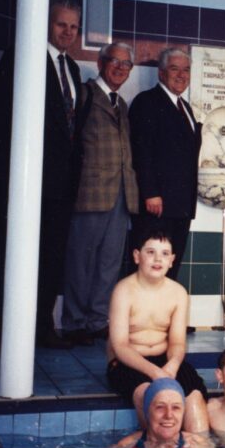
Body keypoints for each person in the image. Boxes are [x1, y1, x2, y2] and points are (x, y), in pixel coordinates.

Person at [0, 0, 83, 351]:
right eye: (61, 25)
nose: (67, 32)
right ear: (46, 24)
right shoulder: (22, 55)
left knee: (50, 260)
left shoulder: (72, 68)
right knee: (9, 256)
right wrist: (2, 165)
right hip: (25, 182)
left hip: (60, 186)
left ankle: (42, 331)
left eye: (73, 27)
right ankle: (1, 338)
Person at [61, 42, 139, 346]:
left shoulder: (123, 104)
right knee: (81, 259)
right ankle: (74, 322)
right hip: (90, 191)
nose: (120, 68)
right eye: (114, 62)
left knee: (109, 261)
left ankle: (97, 320)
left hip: (121, 193)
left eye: (126, 65)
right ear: (100, 62)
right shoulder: (84, 94)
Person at [106, 229, 208, 433]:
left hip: (166, 361)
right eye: (150, 252)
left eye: (164, 253)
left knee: (194, 397)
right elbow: (120, 346)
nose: (157, 259)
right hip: (129, 362)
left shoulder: (178, 293)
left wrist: (171, 367)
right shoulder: (123, 291)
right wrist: (156, 374)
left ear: (172, 260)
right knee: (151, 396)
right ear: (137, 256)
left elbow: (177, 342)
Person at [129, 47, 201, 282]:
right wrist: (150, 193)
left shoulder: (186, 108)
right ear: (161, 73)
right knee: (150, 266)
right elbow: (142, 151)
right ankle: (142, 319)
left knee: (171, 264)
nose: (181, 75)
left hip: (180, 205)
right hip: (157, 205)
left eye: (186, 70)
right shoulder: (147, 101)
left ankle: (162, 317)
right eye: (174, 68)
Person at [82, 378, 208, 448]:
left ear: (183, 412)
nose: (169, 415)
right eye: (160, 407)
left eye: (176, 408)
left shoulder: (195, 443)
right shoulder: (129, 445)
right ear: (148, 411)